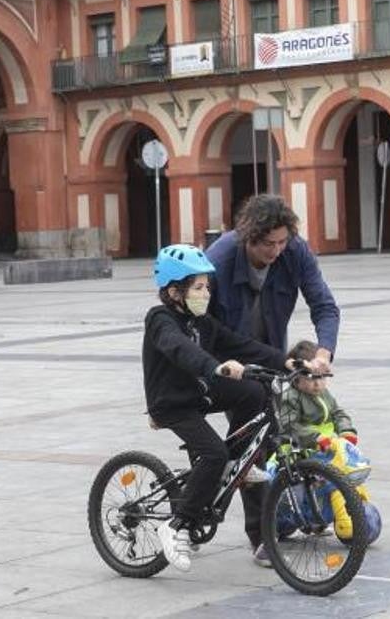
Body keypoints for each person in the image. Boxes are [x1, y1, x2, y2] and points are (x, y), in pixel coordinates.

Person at [144, 244, 309, 573]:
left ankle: (237, 461)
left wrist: (286, 361)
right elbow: (179, 349)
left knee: (253, 391)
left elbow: (241, 344)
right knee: (213, 454)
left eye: (207, 287)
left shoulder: (202, 322)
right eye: (198, 288)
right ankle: (175, 526)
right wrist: (215, 367)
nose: (206, 294)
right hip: (172, 403)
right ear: (175, 292)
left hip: (199, 393)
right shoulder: (160, 319)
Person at [205, 194, 338, 369]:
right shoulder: (218, 261)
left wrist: (323, 354)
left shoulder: (296, 251)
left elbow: (324, 306)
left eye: (282, 242)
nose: (276, 251)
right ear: (249, 238)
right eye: (268, 244)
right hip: (228, 362)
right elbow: (201, 323)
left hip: (274, 355)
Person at [276, 340, 372, 541]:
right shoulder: (291, 397)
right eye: (311, 378)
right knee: (301, 490)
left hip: (326, 450)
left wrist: (346, 430)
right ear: (295, 377)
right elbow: (289, 425)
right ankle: (288, 520)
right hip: (301, 452)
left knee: (341, 475)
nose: (317, 383)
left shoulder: (324, 394)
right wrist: (315, 437)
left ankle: (331, 514)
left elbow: (338, 413)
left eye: (321, 377)